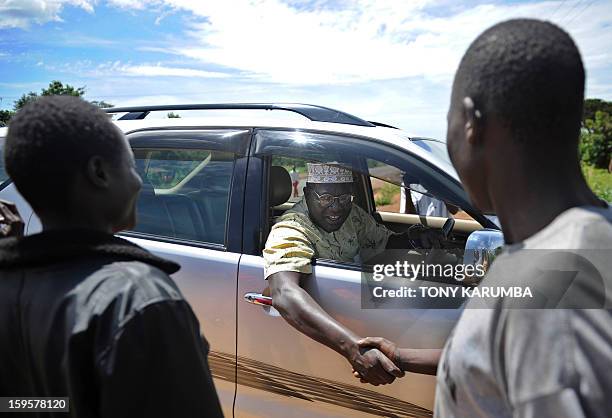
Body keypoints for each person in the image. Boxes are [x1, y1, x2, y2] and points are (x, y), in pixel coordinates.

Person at [357, 19, 612, 418]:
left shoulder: (556, 293)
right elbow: (509, 366)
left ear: (471, 122)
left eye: (449, 124)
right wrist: (403, 356)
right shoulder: (580, 247)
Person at [0, 96, 223, 417]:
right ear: (99, 172)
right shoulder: (138, 298)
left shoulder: (9, 283)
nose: (139, 181)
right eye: (132, 166)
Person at [264, 162, 442, 385]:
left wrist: (414, 237)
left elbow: (382, 240)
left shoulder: (352, 215)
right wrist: (354, 349)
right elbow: (284, 293)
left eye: (343, 198)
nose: (336, 208)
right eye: (325, 197)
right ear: (308, 193)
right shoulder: (291, 228)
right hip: (324, 341)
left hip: (363, 308)